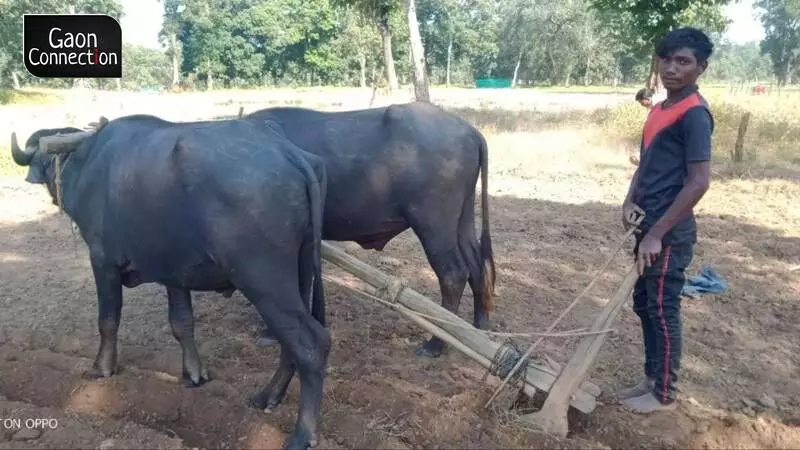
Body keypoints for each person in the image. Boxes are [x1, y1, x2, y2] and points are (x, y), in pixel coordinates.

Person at [618, 26, 714, 414]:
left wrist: (657, 233)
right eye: (666, 59)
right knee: (644, 304)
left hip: (668, 233)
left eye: (683, 61)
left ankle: (664, 395)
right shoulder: (660, 109)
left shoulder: (694, 115)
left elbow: (699, 181)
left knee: (662, 307)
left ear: (700, 68)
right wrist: (628, 199)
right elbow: (647, 165)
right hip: (647, 225)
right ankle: (650, 379)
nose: (672, 68)